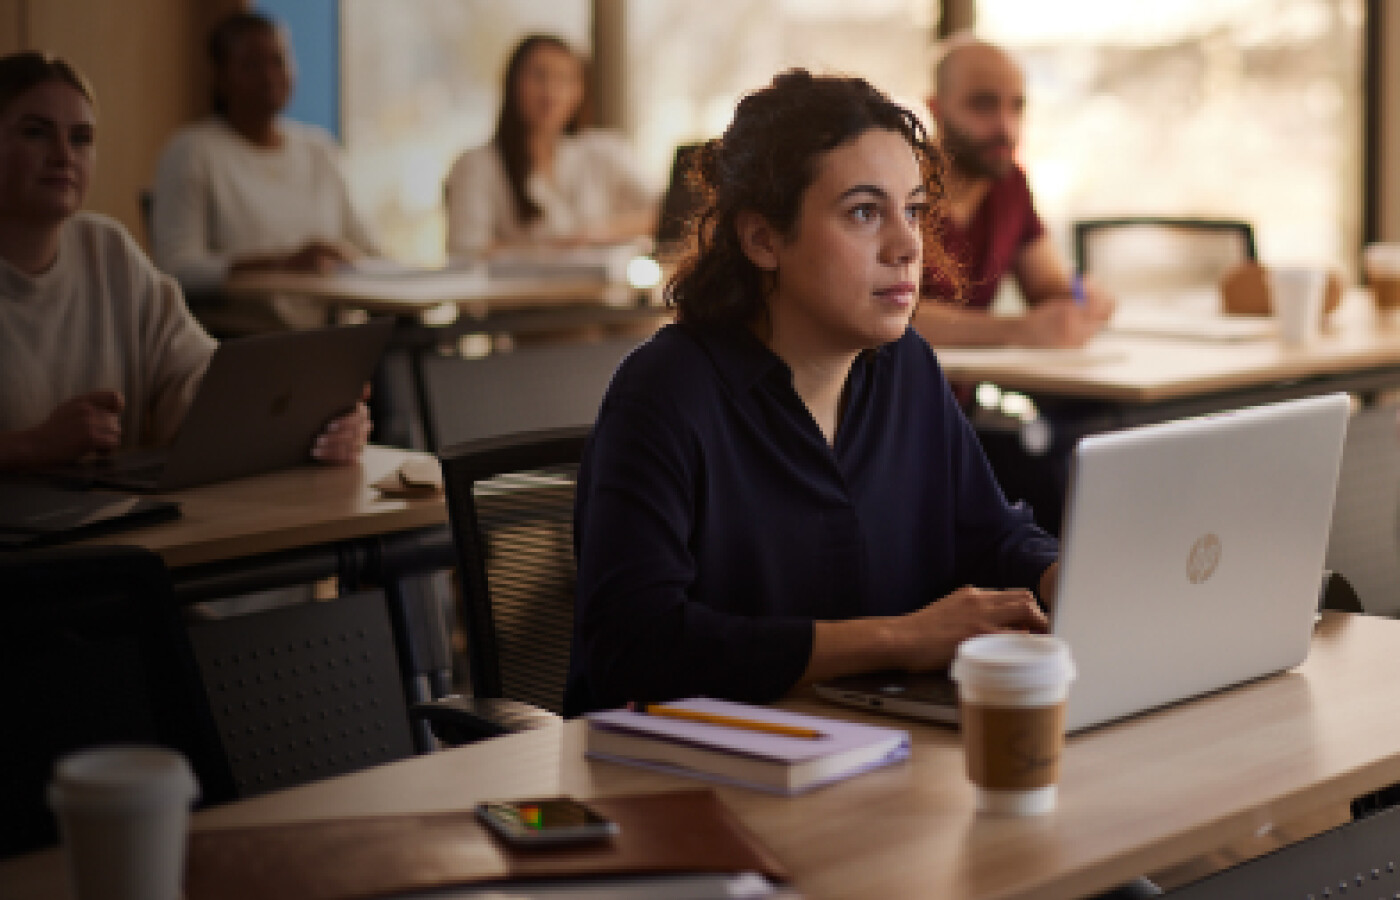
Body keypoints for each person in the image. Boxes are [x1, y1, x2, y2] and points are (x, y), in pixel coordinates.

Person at [565, 69, 1058, 718]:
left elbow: (990, 537)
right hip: (683, 782)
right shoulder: (665, 392)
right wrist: (899, 639)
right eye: (863, 213)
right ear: (763, 238)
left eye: (911, 210)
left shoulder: (905, 366)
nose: (908, 245)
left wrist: (1067, 578)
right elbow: (635, 648)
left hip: (870, 755)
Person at [0, 52, 370, 472]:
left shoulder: (107, 250)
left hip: (117, 524)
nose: (63, 155)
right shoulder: (193, 152)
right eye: (35, 133)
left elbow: (199, 381)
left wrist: (311, 419)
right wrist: (30, 446)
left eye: (82, 138)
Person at [150, 12, 378, 329]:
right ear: (220, 77)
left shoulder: (319, 151)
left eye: (278, 61)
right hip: (242, 339)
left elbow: (368, 250)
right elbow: (177, 269)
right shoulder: (194, 151)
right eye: (251, 65)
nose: (269, 76)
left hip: (331, 333)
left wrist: (347, 257)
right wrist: (284, 265)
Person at [915, 35, 1114, 348]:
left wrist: (1080, 295)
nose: (1006, 128)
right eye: (983, 105)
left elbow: (1046, 284)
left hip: (963, 395)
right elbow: (882, 316)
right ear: (935, 108)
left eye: (1017, 107)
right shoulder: (897, 188)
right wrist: (1016, 331)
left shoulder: (1010, 185)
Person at [444, 34, 656, 260]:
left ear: (580, 91)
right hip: (520, 295)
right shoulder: (477, 164)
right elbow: (466, 249)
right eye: (539, 76)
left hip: (604, 293)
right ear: (513, 83)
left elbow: (666, 212)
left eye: (565, 79)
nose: (551, 92)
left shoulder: (603, 151)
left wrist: (599, 233)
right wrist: (554, 250)